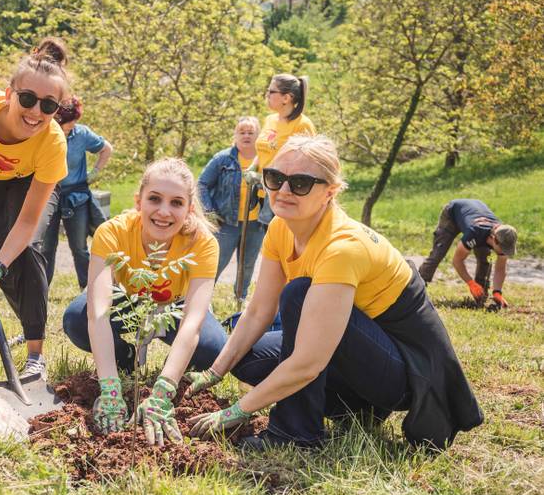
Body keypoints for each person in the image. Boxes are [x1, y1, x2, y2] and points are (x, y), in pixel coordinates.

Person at [185, 135, 483, 451]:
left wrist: (237, 411)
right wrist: (215, 372)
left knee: (298, 294)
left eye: (300, 183)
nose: (283, 190)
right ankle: (356, 409)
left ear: (330, 191)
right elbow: (259, 311)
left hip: (406, 374)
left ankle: (295, 434)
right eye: (274, 177)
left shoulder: (343, 248)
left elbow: (307, 363)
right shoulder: (280, 227)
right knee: (245, 356)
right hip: (359, 353)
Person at [62, 158, 222, 445]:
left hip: (176, 306)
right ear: (139, 202)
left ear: (189, 209)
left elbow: (192, 322)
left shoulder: (203, 243)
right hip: (128, 302)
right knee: (76, 317)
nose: (164, 211)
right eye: (154, 199)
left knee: (213, 349)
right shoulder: (112, 232)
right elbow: (98, 312)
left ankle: (176, 369)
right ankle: (123, 360)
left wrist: (164, 390)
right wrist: (109, 386)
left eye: (176, 203)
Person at [0, 38, 70, 379]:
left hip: (29, 179)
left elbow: (26, 222)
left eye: (49, 105)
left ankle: (35, 353)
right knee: (0, 254)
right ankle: (24, 315)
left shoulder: (53, 142)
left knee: (29, 250)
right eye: (27, 99)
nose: (36, 112)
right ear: (9, 93)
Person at [38, 97, 113, 289]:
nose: (72, 126)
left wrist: (94, 173)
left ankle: (87, 289)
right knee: (47, 247)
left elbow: (106, 149)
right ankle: (42, 289)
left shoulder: (82, 134)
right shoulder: (44, 133)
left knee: (79, 247)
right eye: (69, 123)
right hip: (49, 194)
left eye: (74, 123)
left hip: (76, 196)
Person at [198, 116, 263, 300]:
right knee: (216, 262)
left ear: (258, 136)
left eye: (251, 132)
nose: (246, 136)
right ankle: (203, 299)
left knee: (247, 265)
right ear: (235, 135)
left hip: (256, 224)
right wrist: (209, 212)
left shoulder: (265, 159)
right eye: (242, 132)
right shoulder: (223, 159)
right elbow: (202, 184)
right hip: (226, 222)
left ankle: (239, 300)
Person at [418, 199, 517, 309]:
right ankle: (418, 286)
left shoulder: (504, 236)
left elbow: (500, 269)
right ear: (493, 239)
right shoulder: (475, 233)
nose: (504, 252)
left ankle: (481, 296)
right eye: (502, 249)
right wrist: (470, 283)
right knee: (438, 254)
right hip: (452, 213)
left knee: (485, 259)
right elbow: (457, 261)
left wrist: (497, 292)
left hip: (473, 217)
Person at [255, 74, 316, 227]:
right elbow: (265, 150)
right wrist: (253, 168)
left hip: (284, 193)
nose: (267, 95)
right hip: (263, 190)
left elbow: (307, 164)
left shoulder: (302, 125)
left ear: (286, 98)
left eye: (271, 91)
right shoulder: (270, 119)